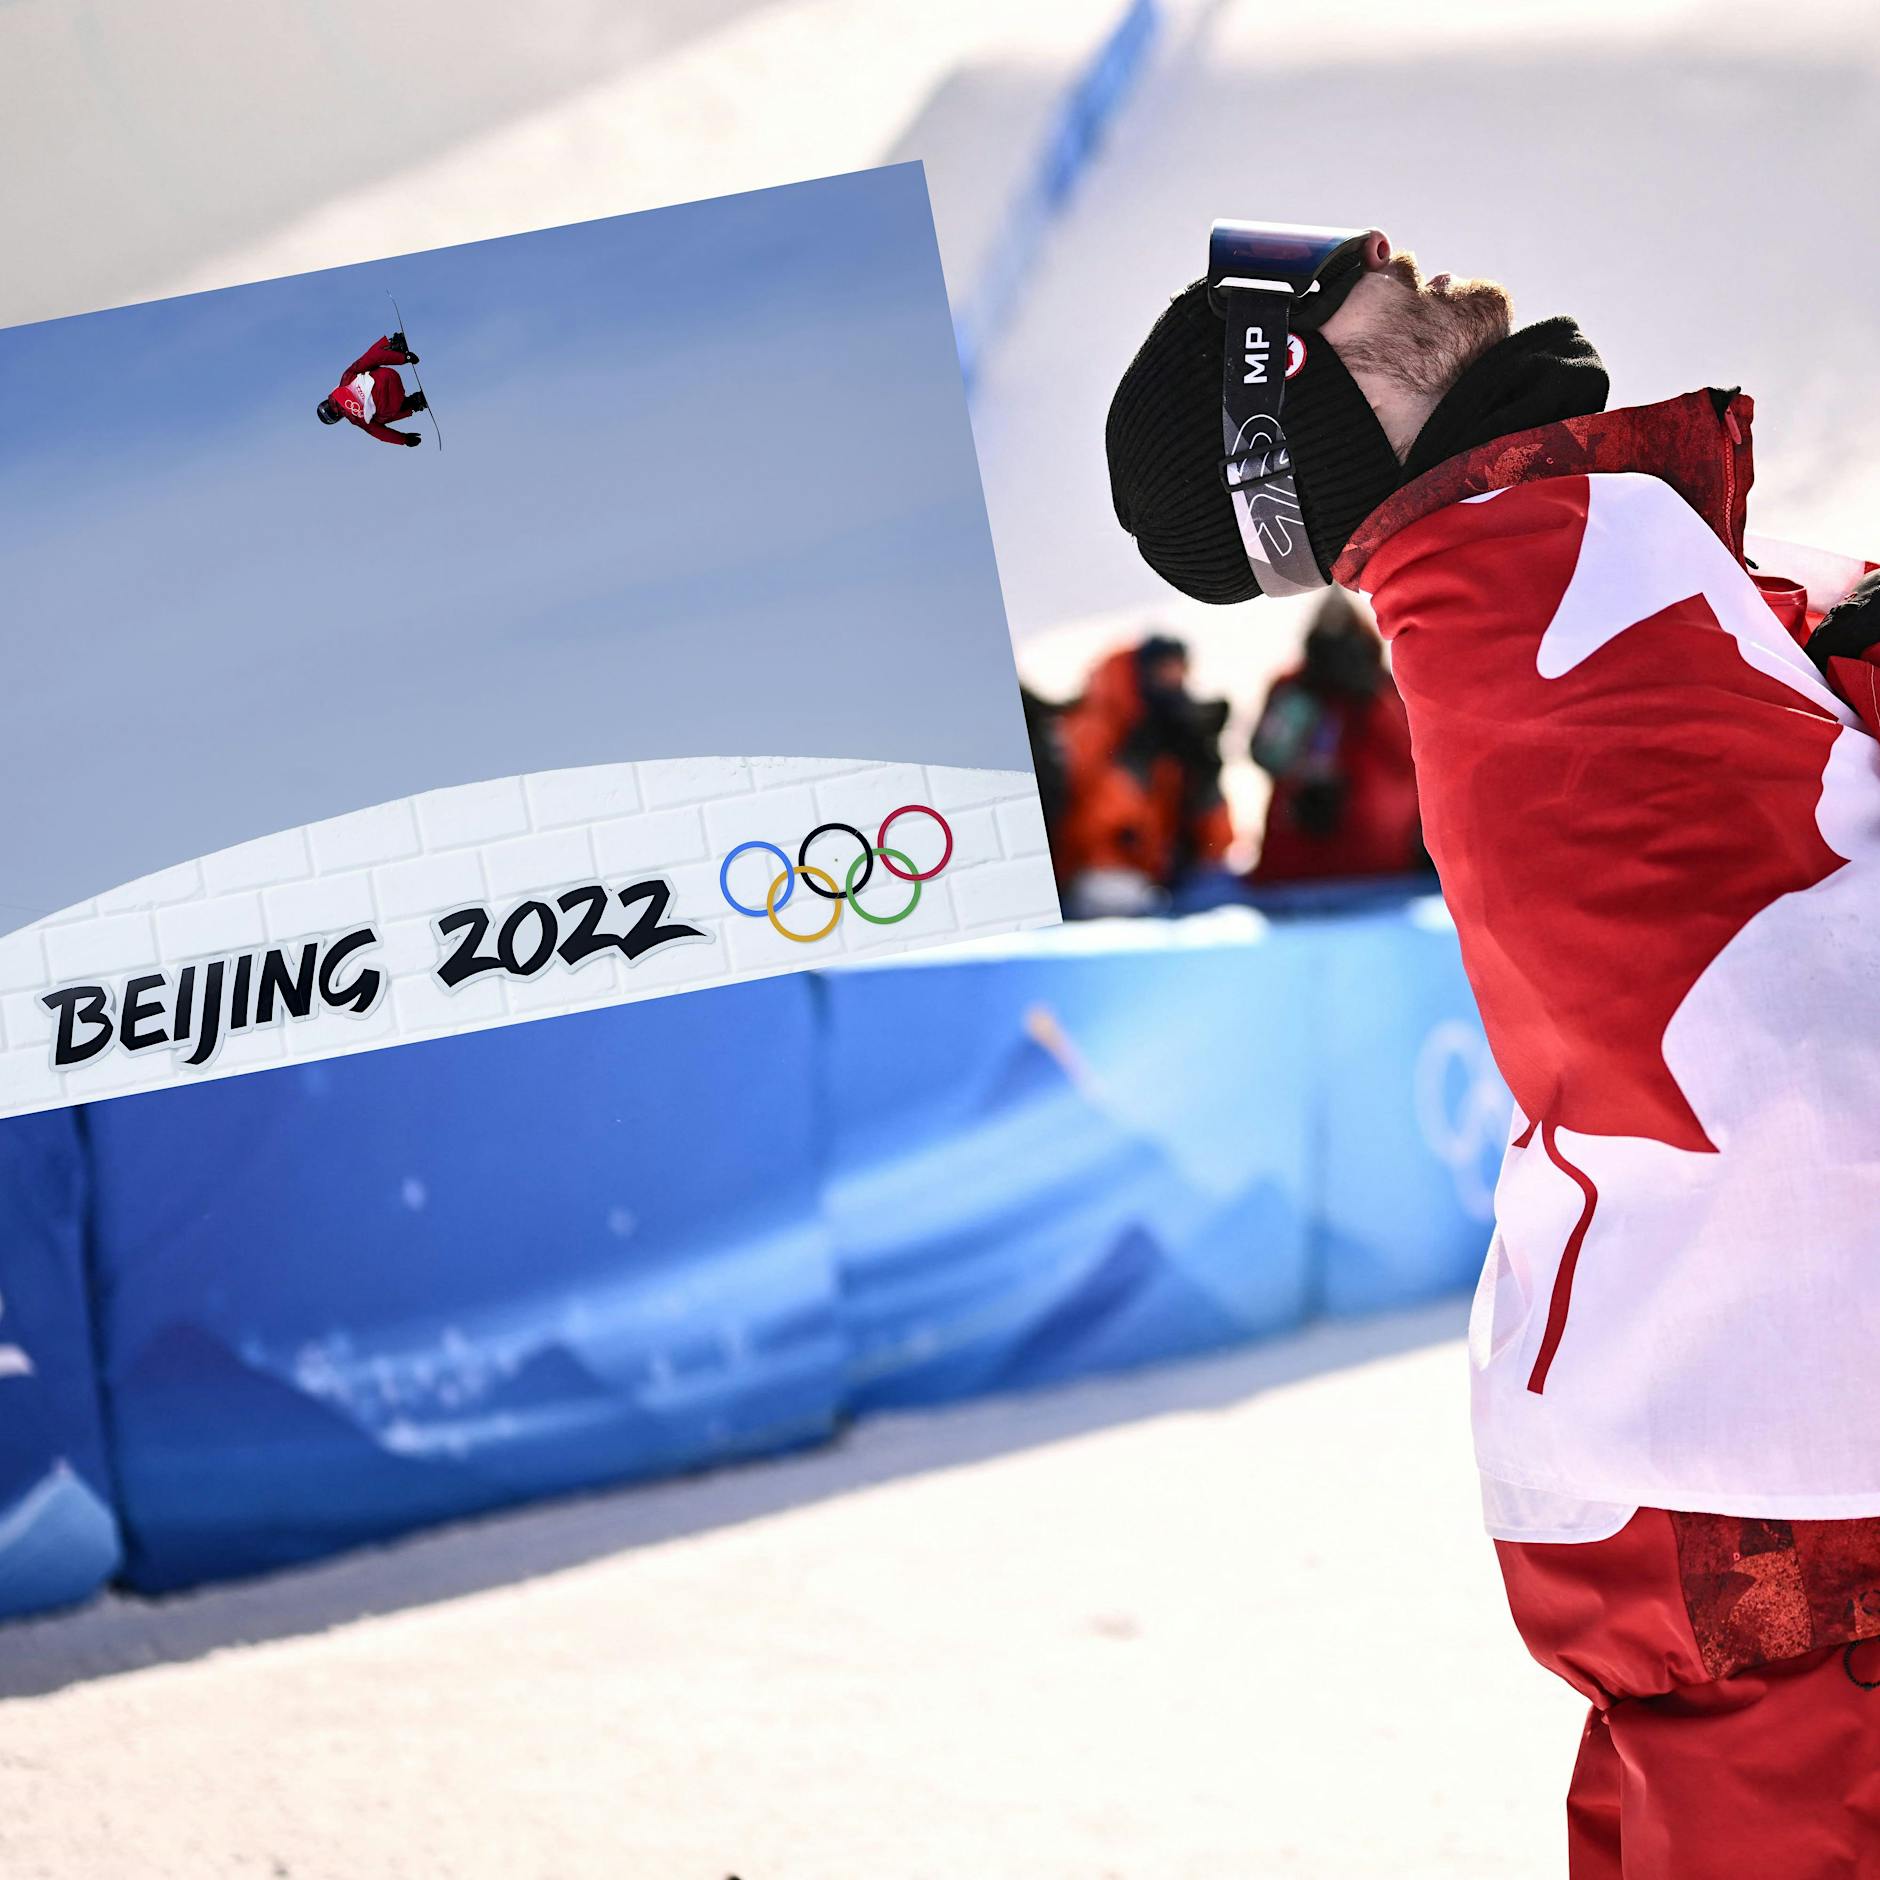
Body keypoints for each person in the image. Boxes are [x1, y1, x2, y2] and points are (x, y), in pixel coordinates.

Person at [1107, 224, 1880, 1873]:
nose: (1394, 258)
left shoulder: (1560, 581)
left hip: (1753, 1464)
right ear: (1296, 402)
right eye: (1342, 287)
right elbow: (1803, 1047)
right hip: (1787, 1487)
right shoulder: (1541, 622)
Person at [1248, 587, 1424, 882]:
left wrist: (1369, 699)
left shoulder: (1381, 690)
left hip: (1372, 860)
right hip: (1311, 856)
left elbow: (1411, 758)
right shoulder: (1297, 690)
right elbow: (1268, 754)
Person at [1051, 634, 1233, 917]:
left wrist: (1205, 769)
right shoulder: (1096, 727)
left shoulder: (1177, 730)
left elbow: (1215, 843)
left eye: (1179, 669)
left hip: (1165, 876)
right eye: (1163, 669)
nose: (1173, 680)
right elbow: (1090, 825)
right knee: (1119, 895)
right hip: (1099, 873)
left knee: (1219, 893)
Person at [317, 331, 427, 446]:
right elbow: (372, 358)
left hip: (395, 401)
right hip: (389, 376)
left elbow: (378, 432)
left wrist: (404, 439)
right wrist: (404, 358)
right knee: (366, 362)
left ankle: (414, 403)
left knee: (375, 421)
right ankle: (394, 347)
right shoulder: (346, 378)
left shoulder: (355, 419)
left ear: (337, 417)